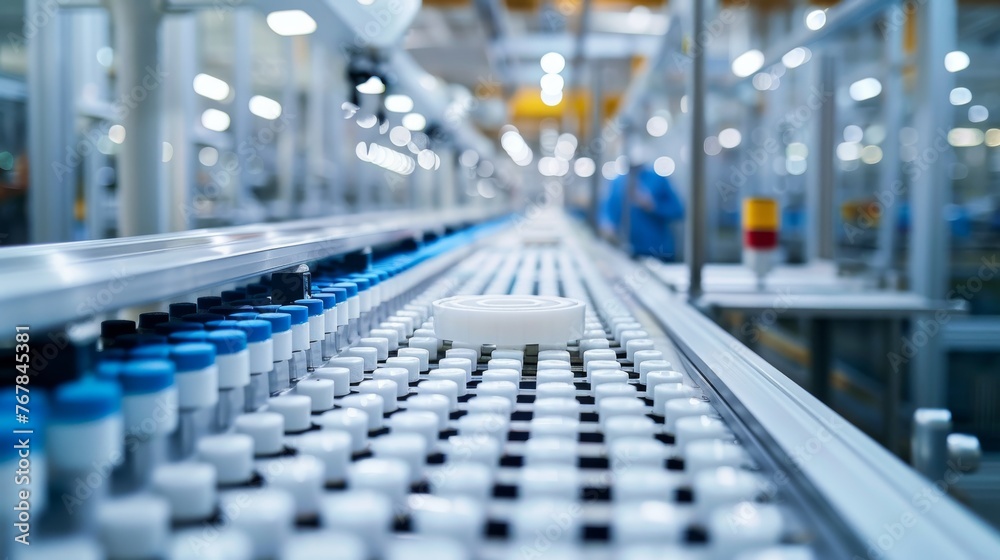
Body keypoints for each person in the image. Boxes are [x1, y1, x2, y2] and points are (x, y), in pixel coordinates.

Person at [599, 146, 684, 260]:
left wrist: (653, 206)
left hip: (658, 251)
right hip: (628, 250)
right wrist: (607, 224)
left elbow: (678, 211)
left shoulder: (658, 179)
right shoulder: (617, 182)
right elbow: (607, 210)